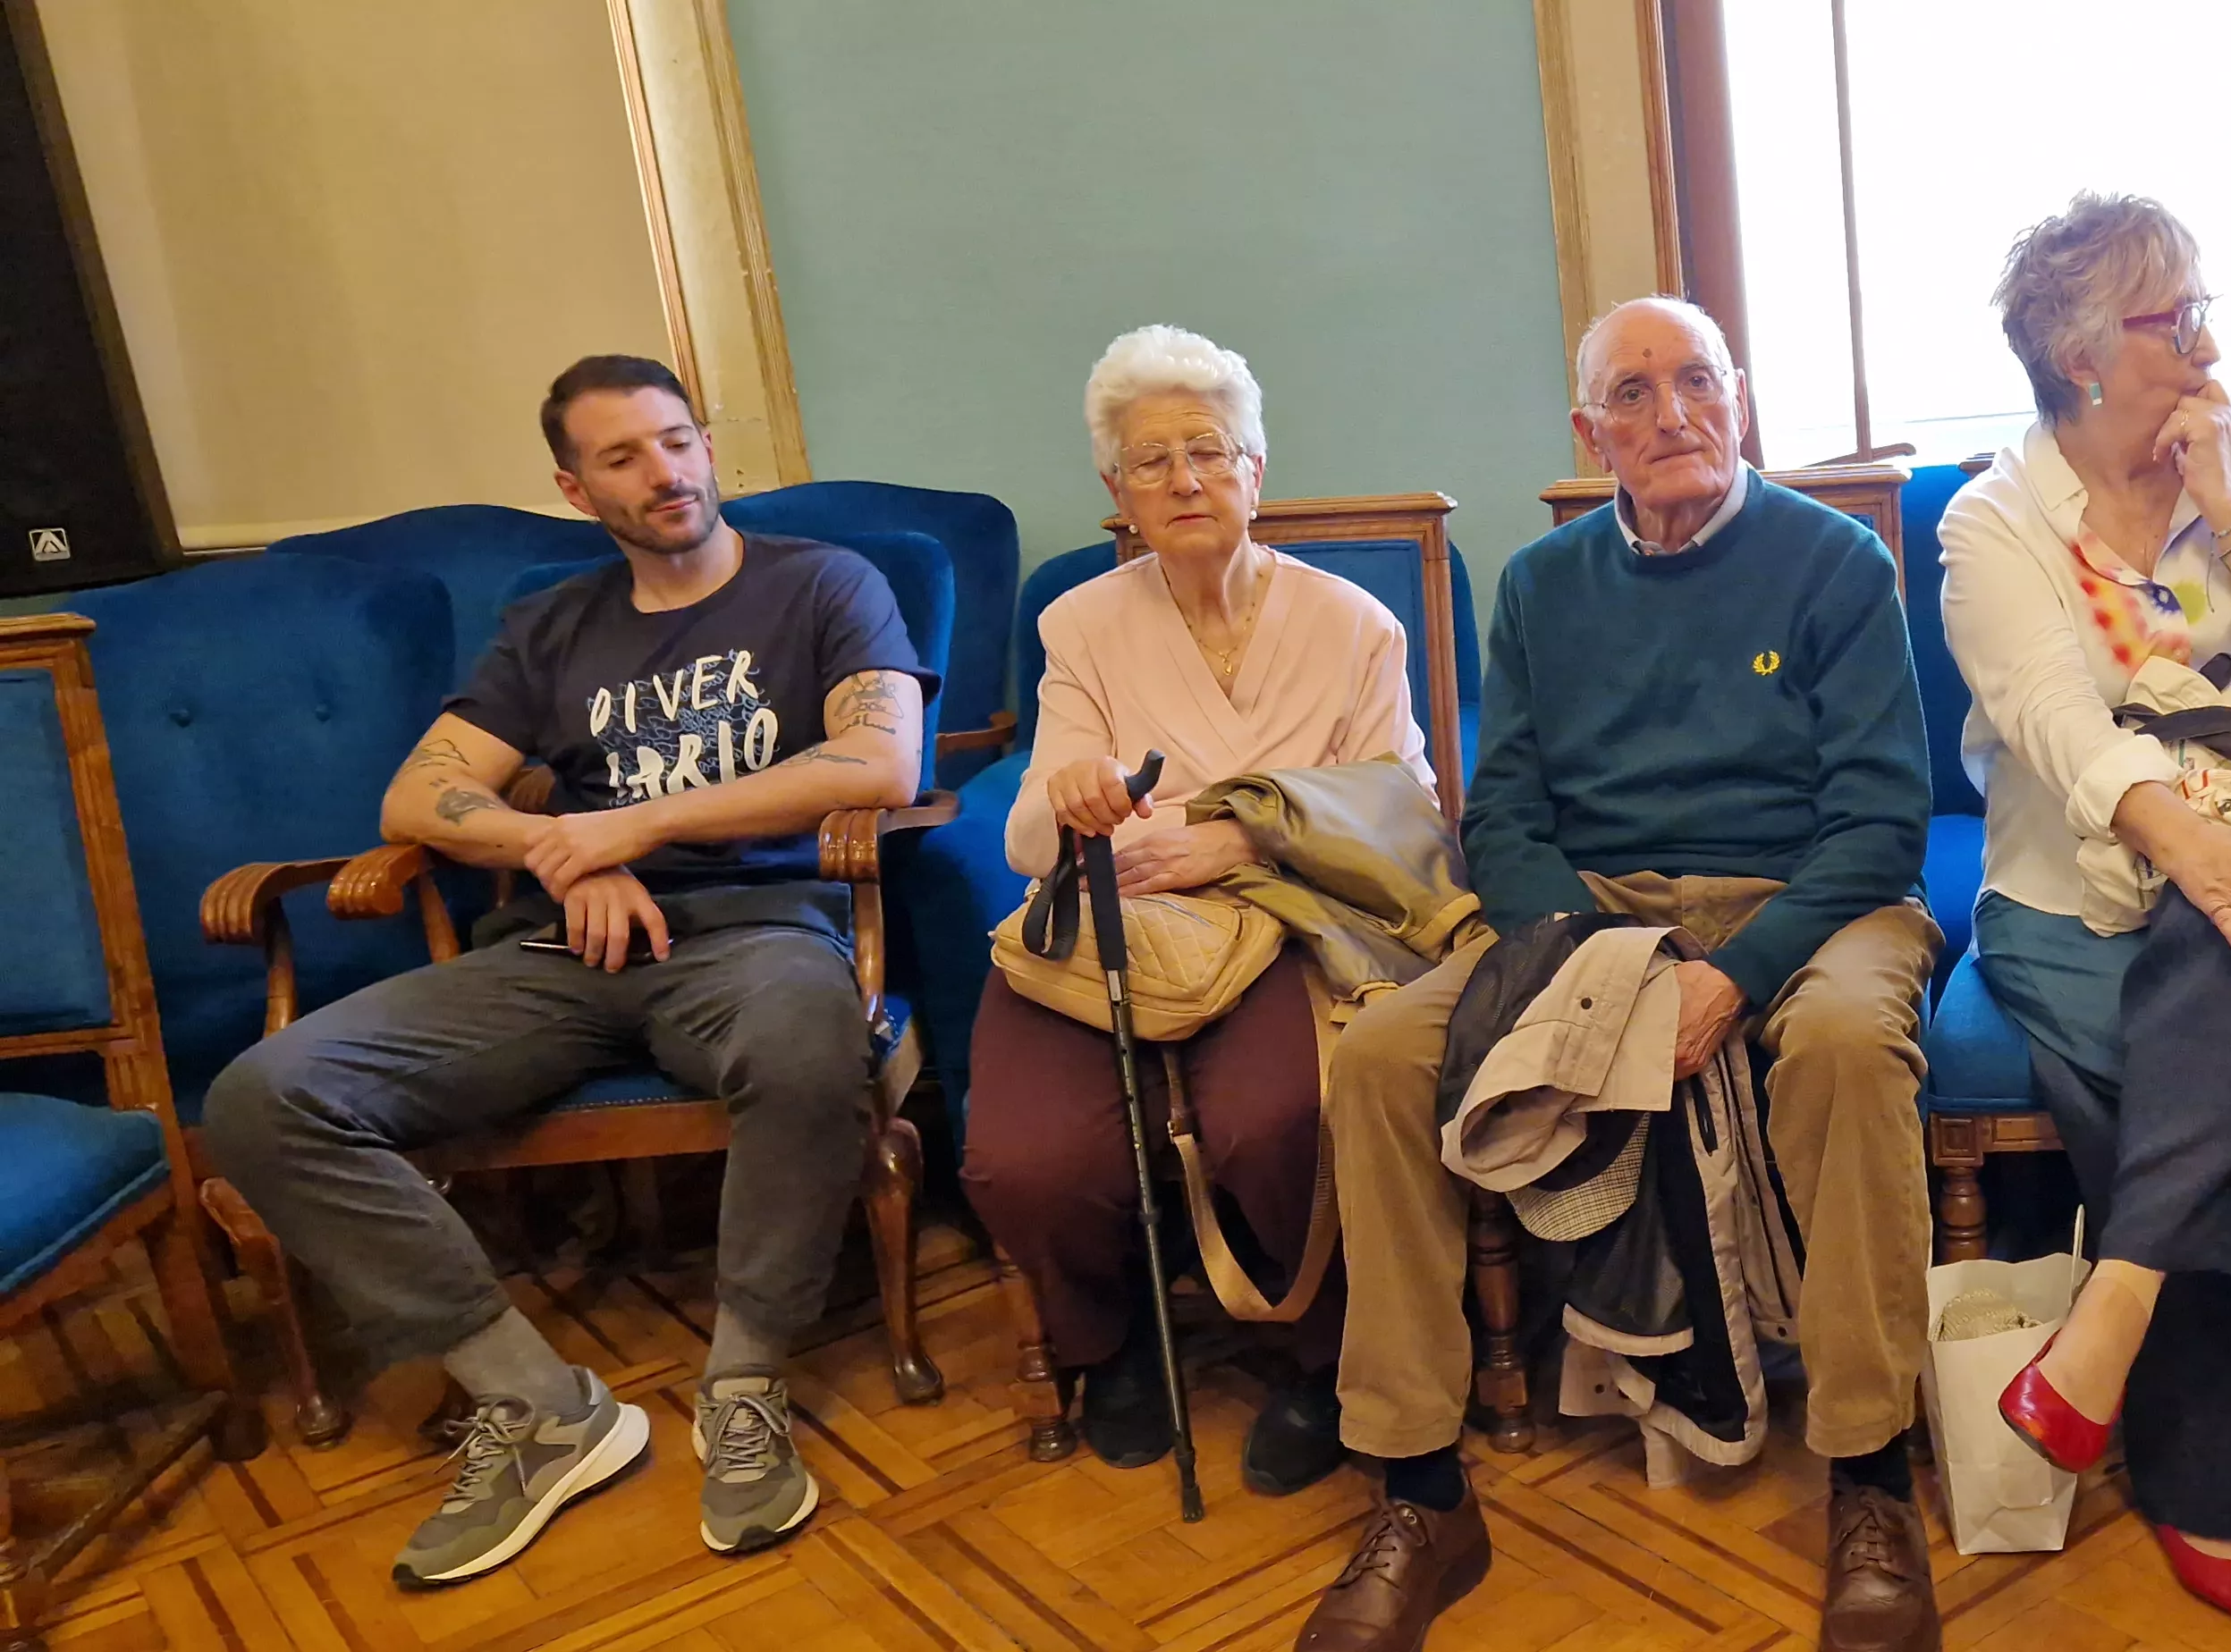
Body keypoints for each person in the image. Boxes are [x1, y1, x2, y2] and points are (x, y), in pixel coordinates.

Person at [205, 355, 931, 1585]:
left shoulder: (823, 585)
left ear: (707, 445)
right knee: (262, 1100)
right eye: (624, 457)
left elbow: (879, 764)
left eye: (677, 440)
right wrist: (565, 852)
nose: (666, 472)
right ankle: (541, 1408)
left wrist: (637, 827)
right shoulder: (552, 627)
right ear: (573, 486)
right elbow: (419, 793)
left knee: (813, 1042)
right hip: (563, 947)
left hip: (752, 934)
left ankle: (744, 1386)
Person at [1297, 296, 1944, 1652]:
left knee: (1839, 1048)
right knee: (1375, 1057)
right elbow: (1510, 810)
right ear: (1590, 434)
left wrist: (1742, 972)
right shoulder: (1541, 585)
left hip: (1811, 901)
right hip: (1592, 912)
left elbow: (1883, 821)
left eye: (1695, 383)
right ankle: (1419, 1481)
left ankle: (1870, 1471)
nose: (1671, 417)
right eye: (1633, 397)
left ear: (1742, 399)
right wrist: (1597, 957)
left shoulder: (1837, 562)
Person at [1935, 193, 2231, 1633]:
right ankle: (2224, 1476)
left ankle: (2110, 1322)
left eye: (2202, 304)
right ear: (2082, 357)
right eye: (2173, 314)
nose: (2208, 338)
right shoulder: (1993, 519)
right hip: (2073, 893)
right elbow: (2053, 721)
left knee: (2229, 959)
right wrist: (2185, 839)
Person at [959, 325, 1432, 1495]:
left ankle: (1317, 1356)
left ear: (1255, 473)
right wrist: (1067, 801)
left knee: (1277, 1122)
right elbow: (1027, 840)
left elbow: (1406, 816)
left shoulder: (1353, 626)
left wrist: (1237, 838)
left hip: (1287, 925)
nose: (1184, 481)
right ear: (1115, 490)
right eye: (1151, 462)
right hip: (1112, 931)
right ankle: (1116, 1345)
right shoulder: (1081, 626)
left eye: (1210, 454)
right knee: (1022, 1156)